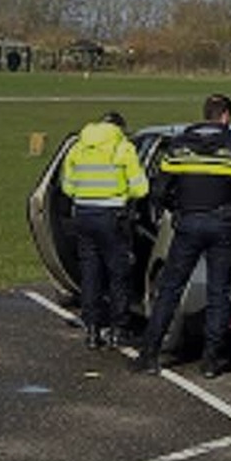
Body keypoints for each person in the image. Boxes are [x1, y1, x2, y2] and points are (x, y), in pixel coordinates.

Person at [131, 93, 231, 379]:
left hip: (188, 224)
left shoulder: (178, 149)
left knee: (170, 290)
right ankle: (211, 361)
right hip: (223, 226)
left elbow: (159, 190)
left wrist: (175, 209)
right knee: (218, 294)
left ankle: (150, 354)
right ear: (225, 116)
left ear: (206, 114)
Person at [58, 112, 148, 350]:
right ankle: (119, 329)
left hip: (83, 215)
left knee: (90, 273)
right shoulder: (123, 147)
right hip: (111, 217)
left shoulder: (79, 146)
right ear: (119, 128)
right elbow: (141, 189)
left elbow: (67, 186)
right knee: (118, 274)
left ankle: (92, 330)